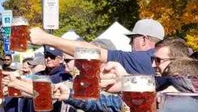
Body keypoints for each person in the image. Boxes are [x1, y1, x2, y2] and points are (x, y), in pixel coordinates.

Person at [31, 18, 165, 75]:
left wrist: (46, 38)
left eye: (132, 39)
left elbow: (92, 52)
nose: (130, 44)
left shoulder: (142, 59)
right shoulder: (169, 58)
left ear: (143, 40)